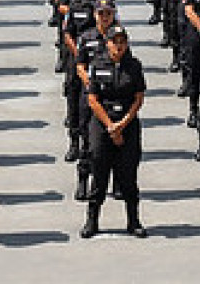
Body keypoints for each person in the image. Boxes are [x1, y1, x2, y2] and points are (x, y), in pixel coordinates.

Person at [81, 23, 147, 239]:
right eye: (114, 42)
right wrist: (110, 125)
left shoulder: (134, 66)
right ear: (107, 44)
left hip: (127, 124)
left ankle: (133, 220)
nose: (119, 47)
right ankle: (92, 220)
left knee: (128, 174)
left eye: (122, 42)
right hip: (102, 125)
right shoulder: (97, 65)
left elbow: (138, 98)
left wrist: (123, 124)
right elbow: (92, 99)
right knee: (99, 173)